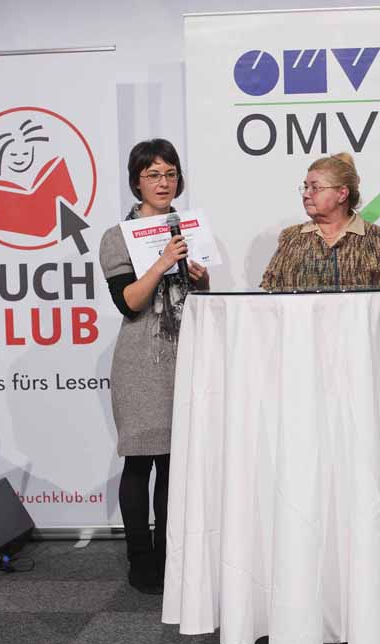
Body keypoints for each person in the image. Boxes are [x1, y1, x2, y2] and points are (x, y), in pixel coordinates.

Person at [99, 138, 210, 593]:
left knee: (172, 464)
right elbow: (129, 301)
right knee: (140, 460)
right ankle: (140, 557)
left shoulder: (190, 229)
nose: (163, 183)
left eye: (170, 174)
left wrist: (202, 278)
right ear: (136, 182)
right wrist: (163, 261)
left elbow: (197, 301)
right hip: (142, 360)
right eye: (153, 175)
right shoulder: (117, 237)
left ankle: (169, 555)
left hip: (186, 355)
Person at [261, 152, 380, 290]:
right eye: (305, 187)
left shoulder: (378, 239)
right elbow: (268, 292)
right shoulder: (291, 238)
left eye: (315, 188)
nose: (306, 194)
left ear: (342, 194)